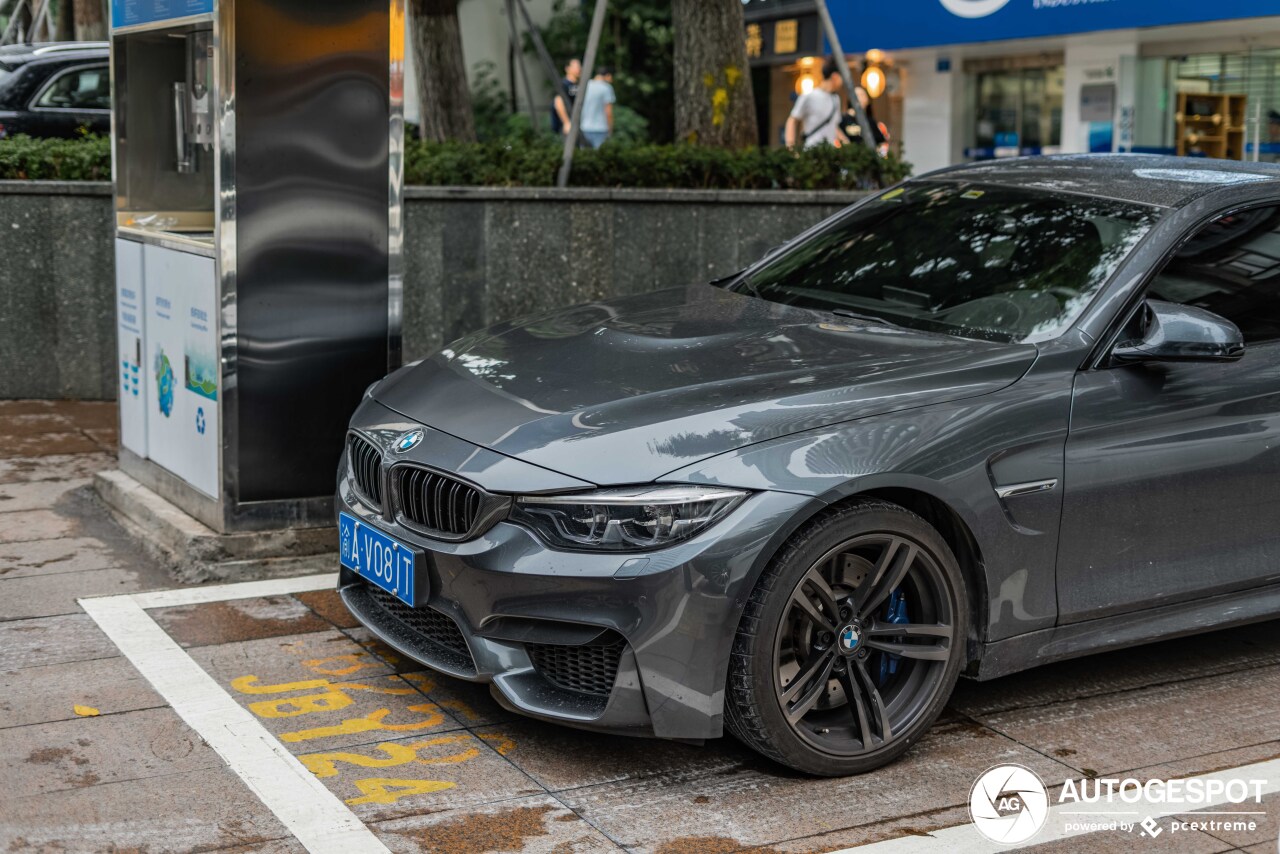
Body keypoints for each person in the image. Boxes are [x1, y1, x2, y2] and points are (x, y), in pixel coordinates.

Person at [785, 56, 849, 149]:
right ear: (834, 76)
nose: (842, 82)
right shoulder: (809, 96)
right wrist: (790, 146)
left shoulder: (836, 99)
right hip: (811, 150)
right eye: (842, 77)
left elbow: (833, 126)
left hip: (830, 151)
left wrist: (846, 143)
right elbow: (792, 120)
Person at [579, 67, 616, 149]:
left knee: (585, 156)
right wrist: (610, 129)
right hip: (600, 128)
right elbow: (608, 112)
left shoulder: (585, 85)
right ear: (607, 75)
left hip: (584, 126)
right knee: (598, 157)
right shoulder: (606, 88)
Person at [551, 58, 581, 137]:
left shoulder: (579, 85)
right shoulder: (563, 84)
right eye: (575, 67)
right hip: (566, 125)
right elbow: (558, 103)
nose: (578, 69)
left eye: (579, 67)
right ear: (567, 69)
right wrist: (566, 122)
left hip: (578, 123)